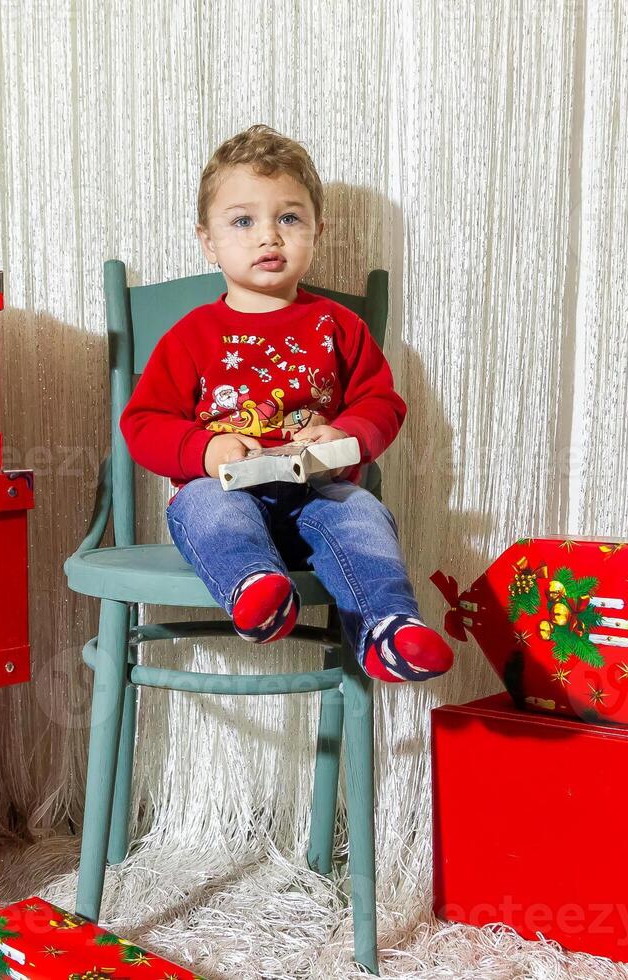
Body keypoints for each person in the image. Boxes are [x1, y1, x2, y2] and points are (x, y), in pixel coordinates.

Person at [119, 124, 453, 683]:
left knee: (363, 511)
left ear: (317, 231)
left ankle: (388, 628)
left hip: (318, 492)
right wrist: (206, 451)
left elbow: (381, 401)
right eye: (243, 221)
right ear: (209, 241)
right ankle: (255, 588)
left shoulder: (337, 326)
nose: (268, 237)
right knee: (204, 505)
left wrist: (346, 434)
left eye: (289, 219)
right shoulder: (192, 335)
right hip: (224, 494)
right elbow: (144, 423)